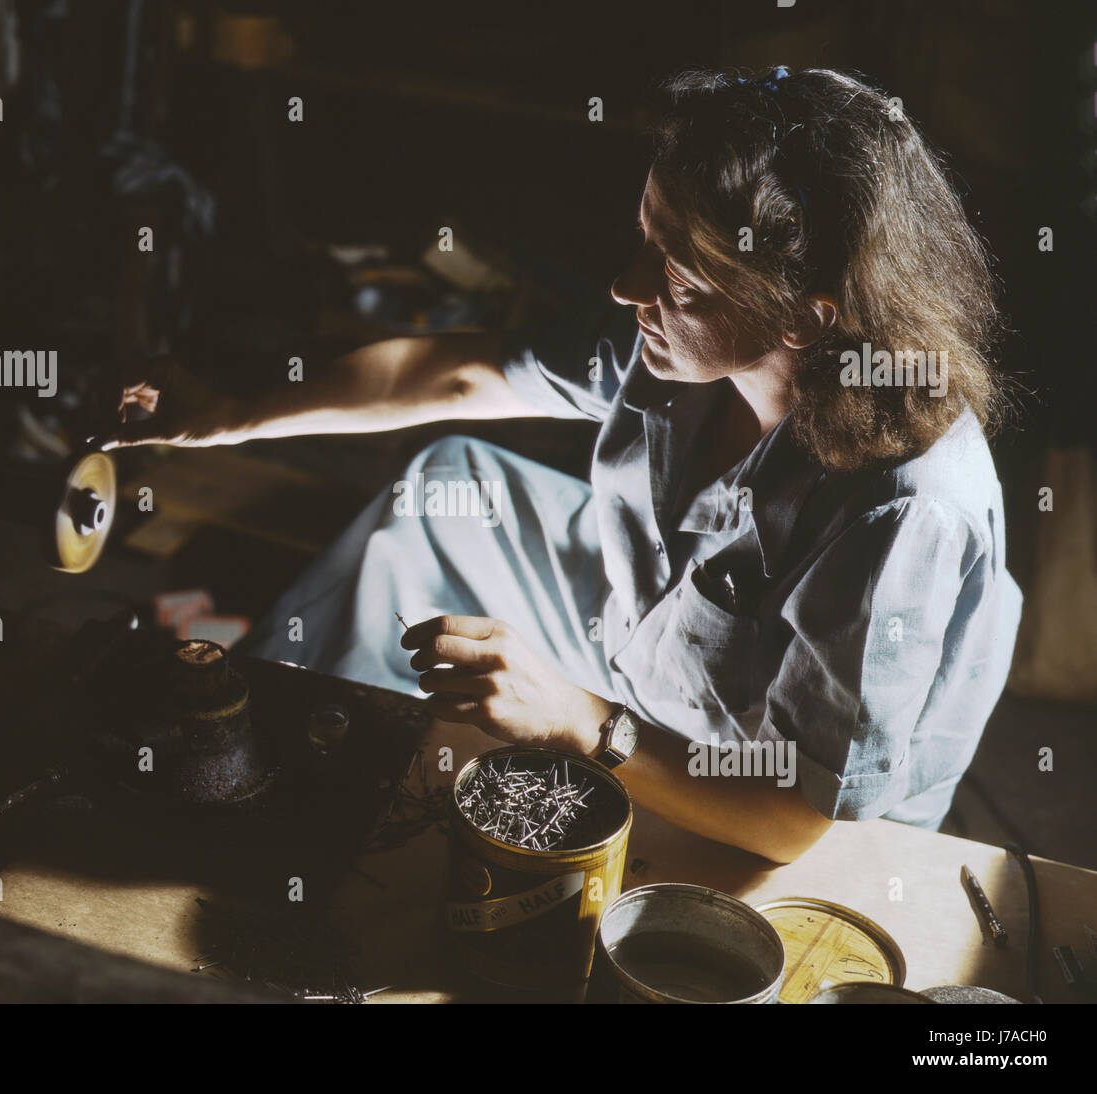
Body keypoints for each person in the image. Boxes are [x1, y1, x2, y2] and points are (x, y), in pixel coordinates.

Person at [101, 66, 1021, 864]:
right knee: (451, 485)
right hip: (652, 645)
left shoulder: (905, 508)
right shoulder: (692, 341)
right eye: (647, 239)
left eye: (679, 277)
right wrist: (224, 415)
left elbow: (794, 815)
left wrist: (579, 721)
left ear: (804, 319)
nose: (628, 288)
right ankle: (273, 748)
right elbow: (461, 375)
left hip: (763, 788)